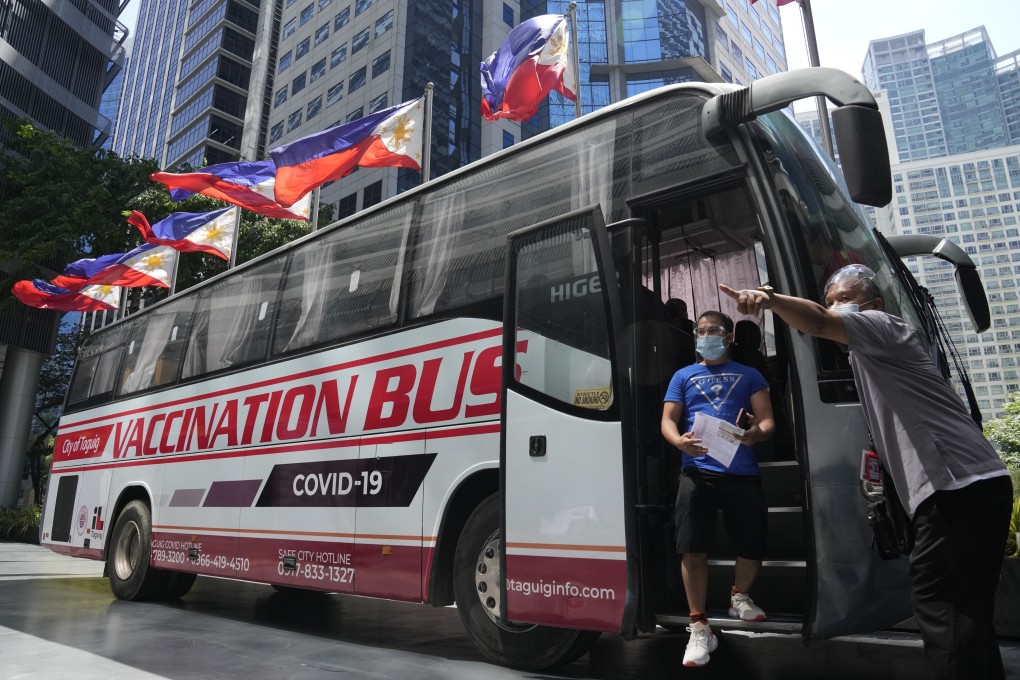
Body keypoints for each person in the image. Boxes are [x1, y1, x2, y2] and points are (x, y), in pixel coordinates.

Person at [720, 265, 1013, 680]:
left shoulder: (880, 325)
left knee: (939, 607)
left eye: (845, 297)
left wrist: (771, 299)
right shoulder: (872, 353)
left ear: (873, 304)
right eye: (832, 299)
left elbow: (819, 322)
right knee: (966, 615)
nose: (836, 306)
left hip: (956, 486)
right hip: (976, 485)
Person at [660, 310, 776, 667]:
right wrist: (680, 442)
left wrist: (756, 432)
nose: (705, 335)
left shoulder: (750, 374)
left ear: (728, 337)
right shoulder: (683, 375)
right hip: (696, 472)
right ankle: (699, 627)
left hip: (741, 470)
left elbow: (768, 421)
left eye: (713, 330)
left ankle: (739, 597)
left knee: (752, 542)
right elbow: (667, 420)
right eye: (700, 331)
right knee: (692, 547)